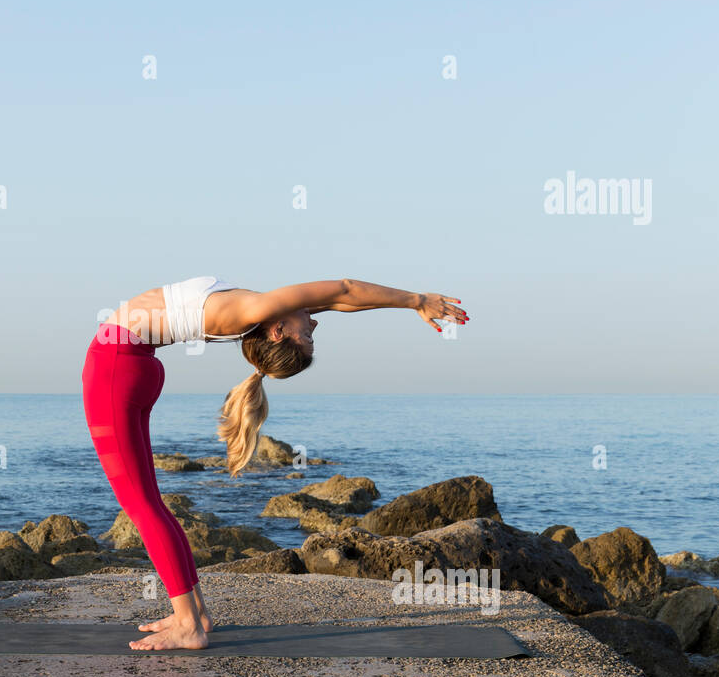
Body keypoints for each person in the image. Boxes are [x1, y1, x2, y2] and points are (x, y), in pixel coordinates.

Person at [80, 276, 467, 650]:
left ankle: (187, 624)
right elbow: (338, 300)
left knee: (142, 507)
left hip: (114, 365)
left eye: (309, 335)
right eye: (312, 332)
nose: (314, 322)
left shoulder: (254, 308)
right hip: (132, 363)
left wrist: (417, 300)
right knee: (150, 504)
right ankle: (195, 614)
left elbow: (344, 289)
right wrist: (409, 302)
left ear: (278, 331)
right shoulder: (259, 312)